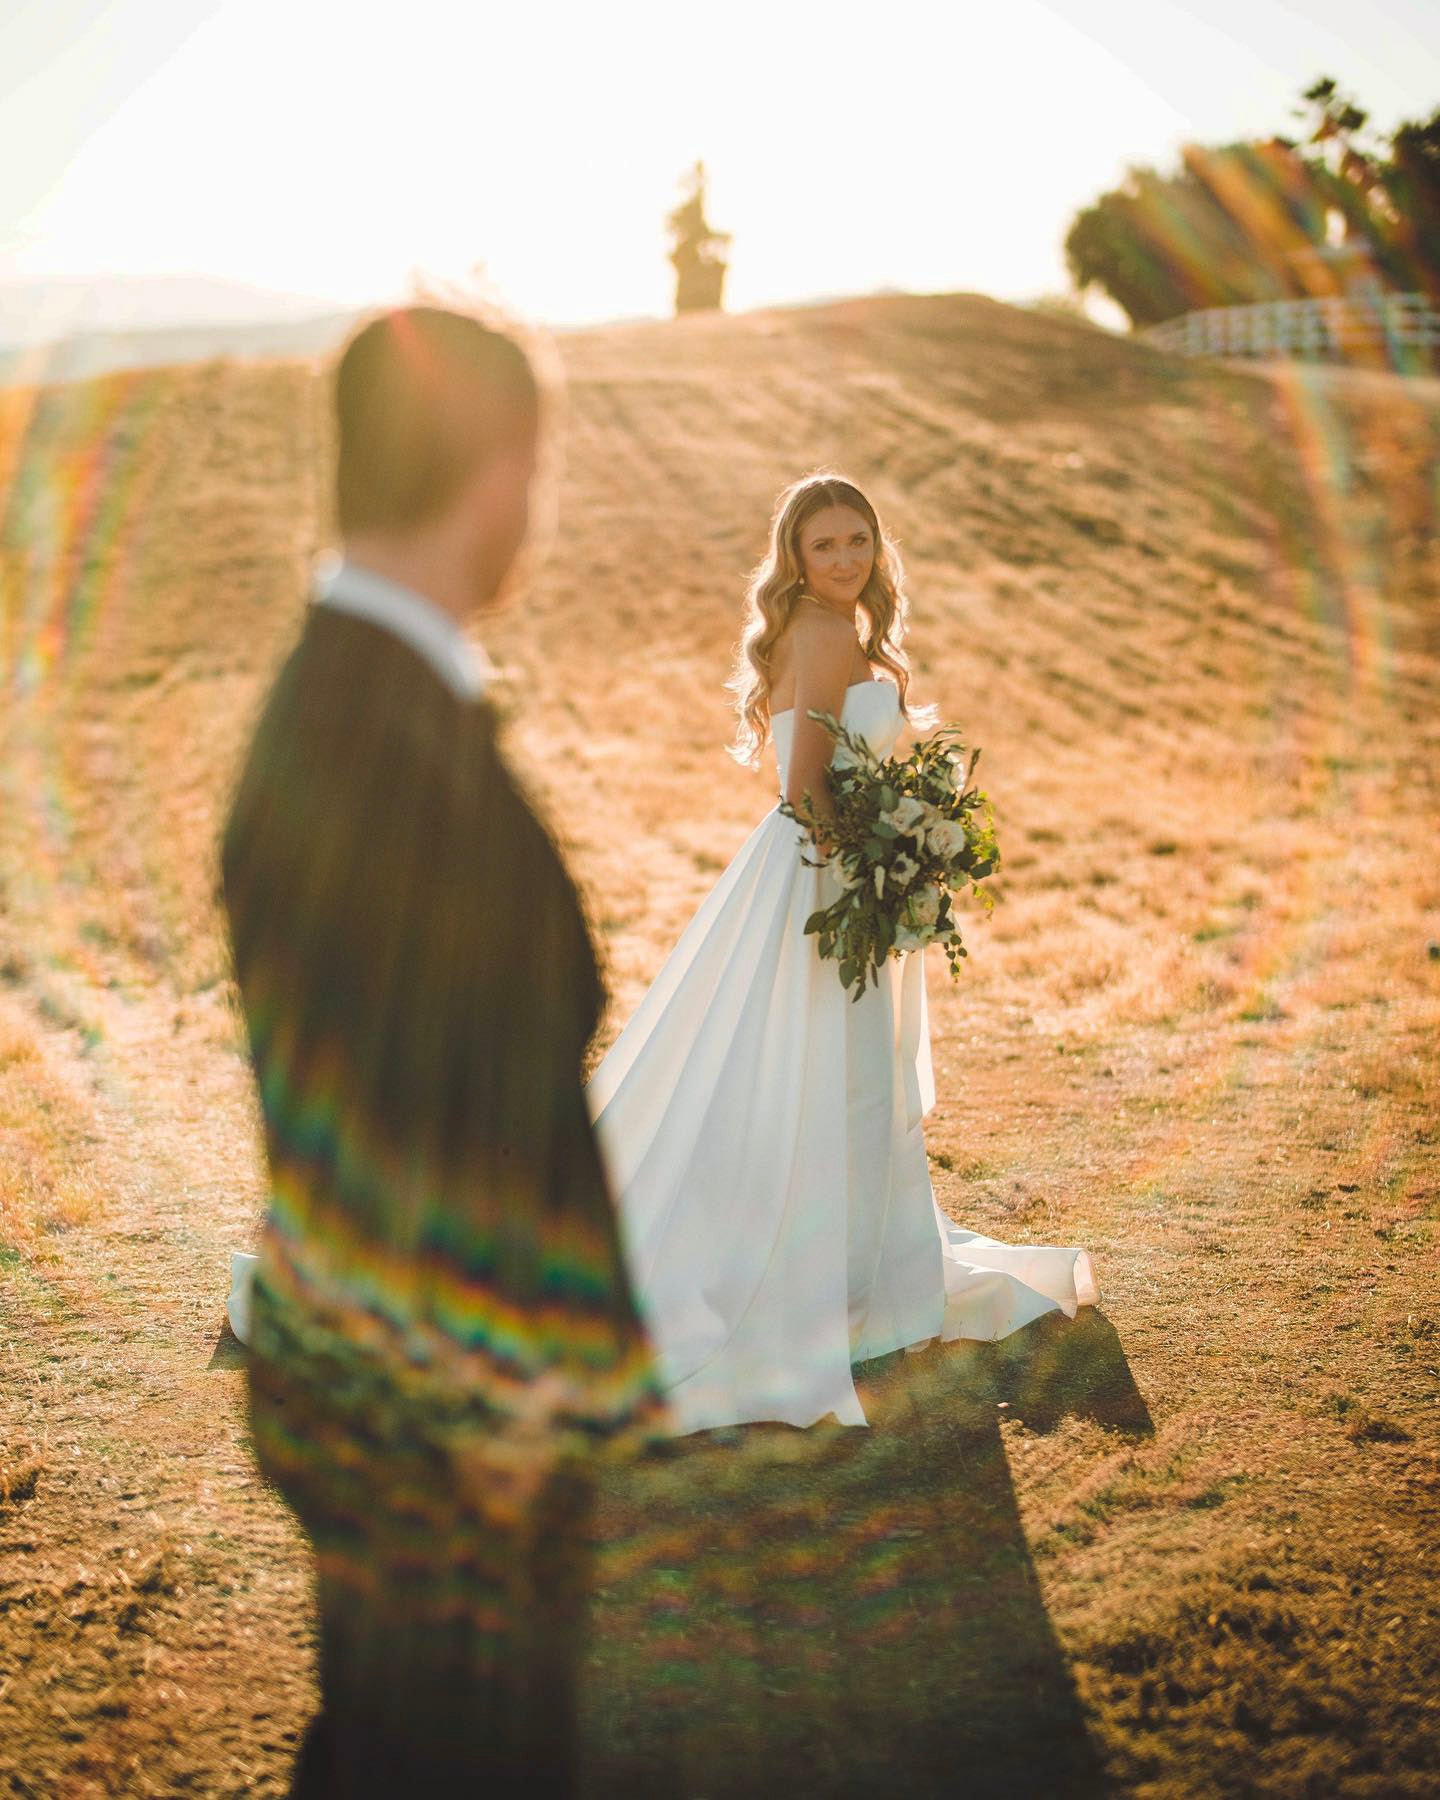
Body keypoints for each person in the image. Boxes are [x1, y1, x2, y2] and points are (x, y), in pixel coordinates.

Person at [219, 302, 668, 1796]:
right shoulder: (368, 736)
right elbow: (383, 1103)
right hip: (453, 1440)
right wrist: (494, 1404)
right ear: (497, 472)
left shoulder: (373, 695)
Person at [585, 472, 1099, 1435]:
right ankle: (834, 1288)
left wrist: (908, 838)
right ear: (795, 558)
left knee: (832, 1078)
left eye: (857, 539)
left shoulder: (845, 632)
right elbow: (808, 785)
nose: (845, 559)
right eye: (824, 546)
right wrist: (870, 872)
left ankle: (850, 1275)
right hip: (826, 881)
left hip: (838, 873)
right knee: (837, 1080)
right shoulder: (821, 635)